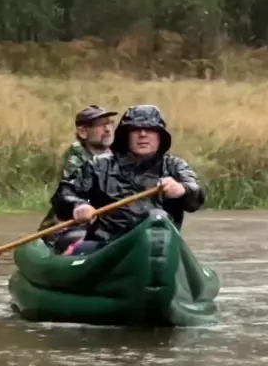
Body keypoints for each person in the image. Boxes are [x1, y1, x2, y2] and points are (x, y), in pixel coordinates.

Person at [48, 104, 205, 255]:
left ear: (160, 137)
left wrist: (182, 190)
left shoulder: (175, 166)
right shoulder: (99, 166)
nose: (143, 134)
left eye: (150, 129)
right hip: (107, 245)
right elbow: (64, 193)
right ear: (126, 136)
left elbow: (196, 194)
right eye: (136, 130)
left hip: (160, 245)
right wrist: (78, 205)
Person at [37, 105, 116, 239]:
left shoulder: (119, 154)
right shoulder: (76, 156)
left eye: (109, 123)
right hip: (67, 222)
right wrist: (80, 205)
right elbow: (70, 190)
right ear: (83, 132)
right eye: (100, 125)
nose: (108, 129)